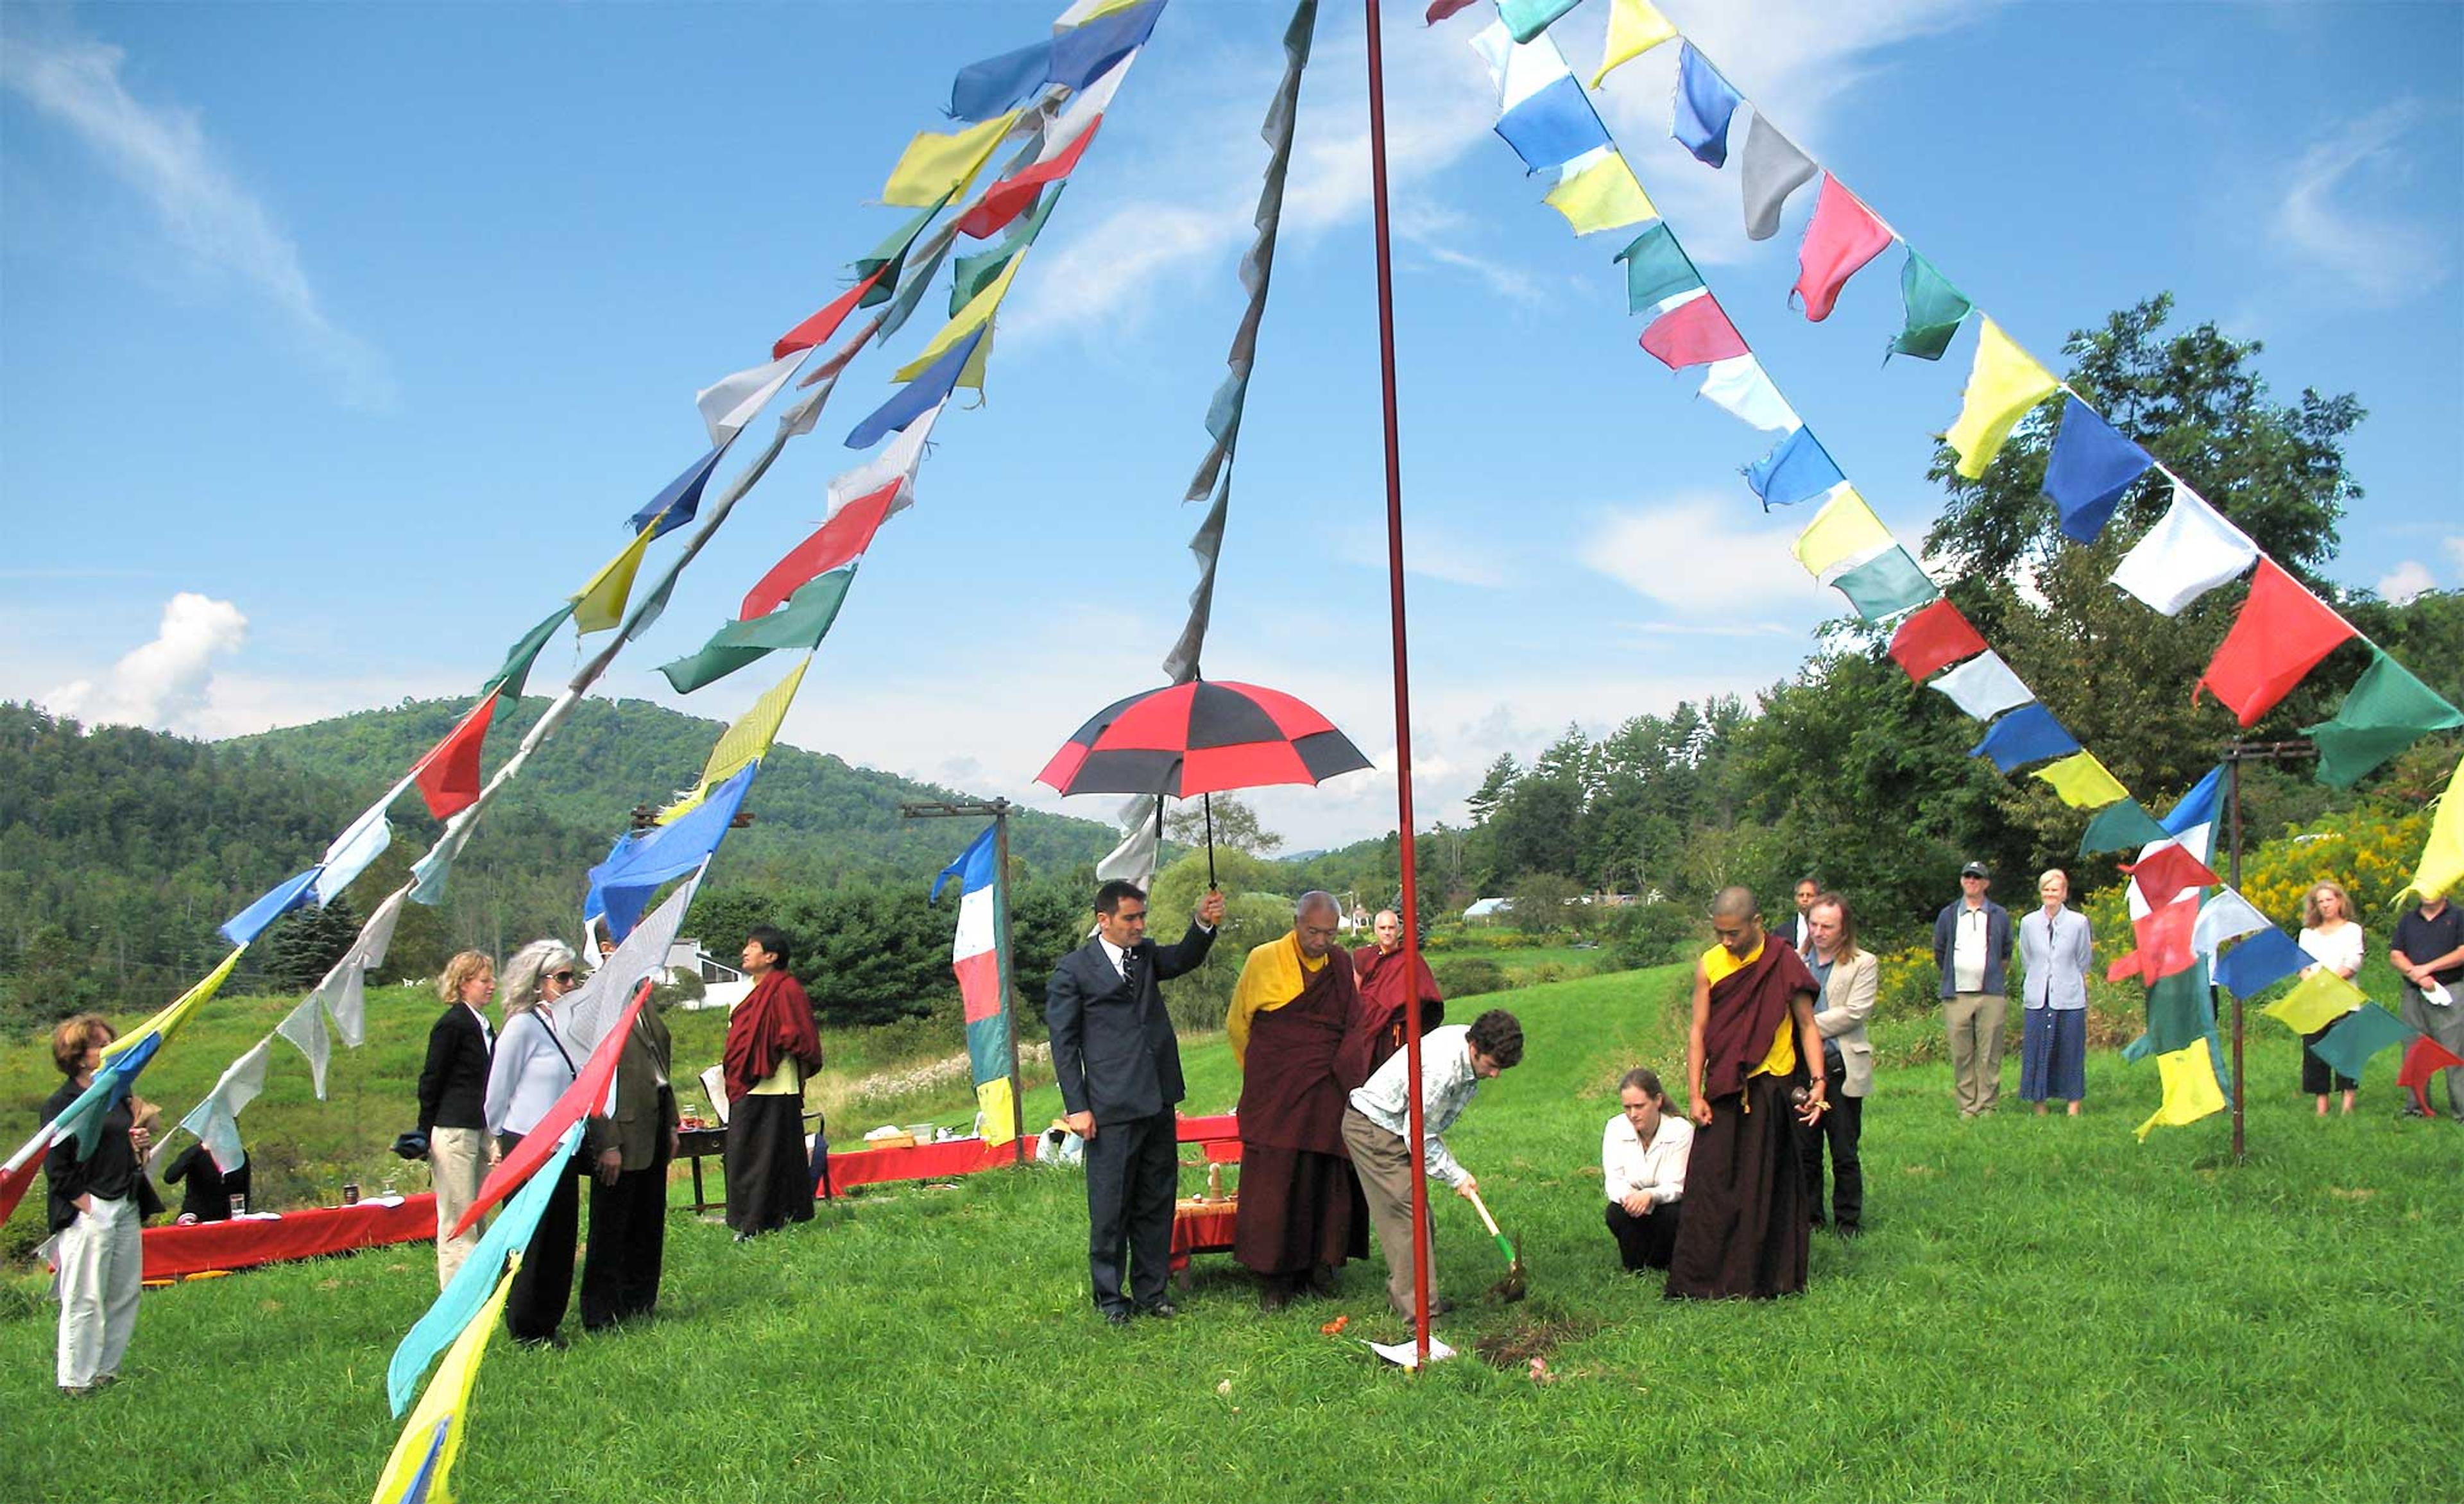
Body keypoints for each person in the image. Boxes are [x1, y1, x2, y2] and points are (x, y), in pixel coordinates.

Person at [1046, 879, 1224, 1325]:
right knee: (1110, 1207)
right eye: (1130, 918)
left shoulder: (1144, 957)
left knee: (1156, 1200)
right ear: (1103, 920)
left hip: (1158, 1099)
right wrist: (1078, 1106)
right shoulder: (1074, 970)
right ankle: (1110, 1298)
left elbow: (1184, 957)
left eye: (1142, 916)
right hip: (1109, 1107)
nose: (1139, 925)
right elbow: (1063, 1044)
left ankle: (1152, 1291)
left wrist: (1203, 921)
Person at [1666, 887, 1826, 1302]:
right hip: (1723, 1086)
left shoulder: (1782, 960)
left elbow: (1807, 1025)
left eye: (1733, 933)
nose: (1726, 942)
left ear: (1757, 923)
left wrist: (1820, 1080)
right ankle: (1703, 1280)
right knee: (1712, 1183)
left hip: (1772, 1087)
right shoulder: (1710, 965)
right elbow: (1699, 1031)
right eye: (1719, 933)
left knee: (1767, 1183)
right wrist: (1694, 1093)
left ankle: (1765, 1279)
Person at [1226, 892, 1374, 1310]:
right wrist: (1262, 1073)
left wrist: (1347, 1074)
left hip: (1327, 1086)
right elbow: (1239, 1023)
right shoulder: (1264, 958)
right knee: (1275, 1181)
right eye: (1313, 931)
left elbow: (1353, 1024)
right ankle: (1274, 1277)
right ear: (1296, 923)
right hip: (1277, 1087)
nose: (1322, 940)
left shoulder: (1341, 964)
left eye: (1330, 933)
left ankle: (1317, 1266)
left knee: (1322, 1175)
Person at [1340, 1009, 1524, 1320]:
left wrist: (1456, 1175)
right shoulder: (1441, 1071)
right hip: (1374, 1129)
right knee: (1410, 1220)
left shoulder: (1474, 1040)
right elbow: (1419, 1136)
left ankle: (1416, 1297)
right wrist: (1457, 1176)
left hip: (1397, 1125)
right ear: (1474, 1048)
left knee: (1419, 1218)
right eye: (1491, 1066)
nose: (1495, 1075)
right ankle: (1421, 1315)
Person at [42, 1014, 163, 1396]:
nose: (108, 1050)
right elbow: (57, 1168)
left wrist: (139, 1144)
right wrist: (88, 1206)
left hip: (126, 1200)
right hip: (89, 1210)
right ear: (78, 1055)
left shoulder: (120, 1094)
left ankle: (106, 1372)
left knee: (125, 1291)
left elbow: (126, 1149)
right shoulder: (61, 1103)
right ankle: (76, 1380)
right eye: (99, 1045)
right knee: (85, 1295)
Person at [483, 939, 585, 1346]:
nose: (570, 983)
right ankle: (525, 1324)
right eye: (562, 977)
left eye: (571, 976)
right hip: (529, 1143)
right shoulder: (522, 1026)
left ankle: (550, 1319)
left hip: (564, 1145)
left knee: (561, 1235)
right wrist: (500, 1138)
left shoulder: (566, 1025)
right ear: (539, 982)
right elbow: (497, 1091)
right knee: (533, 1238)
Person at [580, 978, 680, 1329]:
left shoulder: (643, 997)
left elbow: (660, 1067)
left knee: (647, 1221)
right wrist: (606, 1141)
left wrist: (671, 1122)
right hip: (619, 1130)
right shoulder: (600, 1004)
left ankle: (639, 1301)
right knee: (611, 1226)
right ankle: (601, 1311)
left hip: (652, 1120)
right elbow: (591, 1080)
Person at [721, 925, 824, 1240]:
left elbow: (803, 1038)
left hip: (779, 1088)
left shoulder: (787, 989)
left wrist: (785, 1054)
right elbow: (738, 1036)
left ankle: (776, 1218)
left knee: (775, 1156)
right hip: (746, 1084)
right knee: (742, 1153)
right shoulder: (741, 991)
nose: (745, 952)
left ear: (771, 956)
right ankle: (746, 1220)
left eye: (752, 947)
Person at [418, 950, 497, 1288]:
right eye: (484, 981)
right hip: (453, 1128)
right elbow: (432, 1079)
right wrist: (424, 1131)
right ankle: (457, 1293)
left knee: (476, 1210)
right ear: (464, 984)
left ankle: (477, 1282)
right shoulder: (452, 1024)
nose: (492, 986)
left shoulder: (483, 1024)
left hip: (478, 1126)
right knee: (457, 1215)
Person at [1799, 891, 1875, 1233]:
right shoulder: (1797, 962)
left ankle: (1848, 1220)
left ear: (1844, 930)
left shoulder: (1863, 963)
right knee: (1806, 1151)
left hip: (1841, 1066)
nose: (1819, 932)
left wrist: (1804, 1025)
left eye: (1827, 926)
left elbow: (1855, 1012)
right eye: (1814, 924)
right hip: (1803, 1068)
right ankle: (1811, 1217)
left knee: (1844, 1150)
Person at [1933, 860, 2013, 1118]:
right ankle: (1967, 1106)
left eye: (1977, 878)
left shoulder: (1999, 914)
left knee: (1990, 1054)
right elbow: (1940, 950)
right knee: (1962, 1054)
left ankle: (1987, 1105)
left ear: (1986, 883)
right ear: (1961, 881)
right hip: (1957, 994)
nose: (1972, 881)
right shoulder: (1949, 914)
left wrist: (1992, 974)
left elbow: (2006, 951)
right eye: (1968, 876)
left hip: (1991, 993)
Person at [2017, 870, 2092, 1117]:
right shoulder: (2028, 923)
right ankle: (2039, 1104)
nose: (2051, 894)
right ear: (2041, 893)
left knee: (2070, 1050)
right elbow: (2027, 957)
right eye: (2046, 890)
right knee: (2037, 1050)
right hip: (2038, 997)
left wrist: (2066, 978)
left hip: (2069, 996)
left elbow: (2084, 959)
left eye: (2055, 890)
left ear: (2064, 893)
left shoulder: (2079, 922)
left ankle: (2073, 1105)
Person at [1602, 1066, 1691, 1272]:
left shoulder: (1680, 1131)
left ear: (1658, 1101)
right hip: (1632, 1205)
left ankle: (1662, 1261)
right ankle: (1636, 1265)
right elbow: (1614, 1180)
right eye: (1627, 1107)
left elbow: (1679, 1184)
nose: (1633, 1114)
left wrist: (1650, 1196)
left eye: (1640, 1106)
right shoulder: (1615, 1128)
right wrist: (1631, 1198)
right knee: (1615, 1213)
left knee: (1672, 1215)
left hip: (1668, 1205)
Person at [2389, 885, 2464, 1119]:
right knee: (2414, 1050)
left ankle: (2461, 1110)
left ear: (2444, 889)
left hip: (2450, 990)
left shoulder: (2459, 916)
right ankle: (2416, 1107)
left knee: (2455, 1052)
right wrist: (2415, 974)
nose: (2427, 892)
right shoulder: (2408, 920)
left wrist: (2428, 969)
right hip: (2414, 993)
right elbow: (2395, 954)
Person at [2295, 880, 2365, 1116]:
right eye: (2320, 901)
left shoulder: (2352, 930)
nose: (2325, 905)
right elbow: (2302, 965)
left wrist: (2326, 982)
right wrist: (2310, 981)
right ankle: (2321, 1107)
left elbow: (2353, 964)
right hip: (2314, 1001)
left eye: (2329, 900)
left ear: (2340, 901)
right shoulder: (2307, 934)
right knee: (2315, 1052)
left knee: (2346, 1051)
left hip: (2344, 998)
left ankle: (2347, 1106)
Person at [1349, 908, 1444, 1080]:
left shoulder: (1410, 958)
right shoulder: (1364, 957)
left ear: (1399, 930)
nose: (1387, 932)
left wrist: (1401, 1010)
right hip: (1369, 1025)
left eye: (1391, 928)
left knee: (1397, 1076)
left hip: (1398, 1030)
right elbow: (1355, 994)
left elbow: (1427, 994)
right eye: (1383, 928)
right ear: (1375, 930)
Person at [162, 1137, 249, 1224]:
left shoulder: (239, 1155)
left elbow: (245, 1191)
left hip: (228, 1220)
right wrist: (200, 1148)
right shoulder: (196, 1153)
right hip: (196, 1218)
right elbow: (170, 1177)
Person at [1781, 878, 1820, 953]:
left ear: (1819, 898)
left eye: (1810, 895)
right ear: (1796, 898)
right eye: (1801, 895)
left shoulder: (1828, 929)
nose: (1805, 899)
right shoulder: (1782, 932)